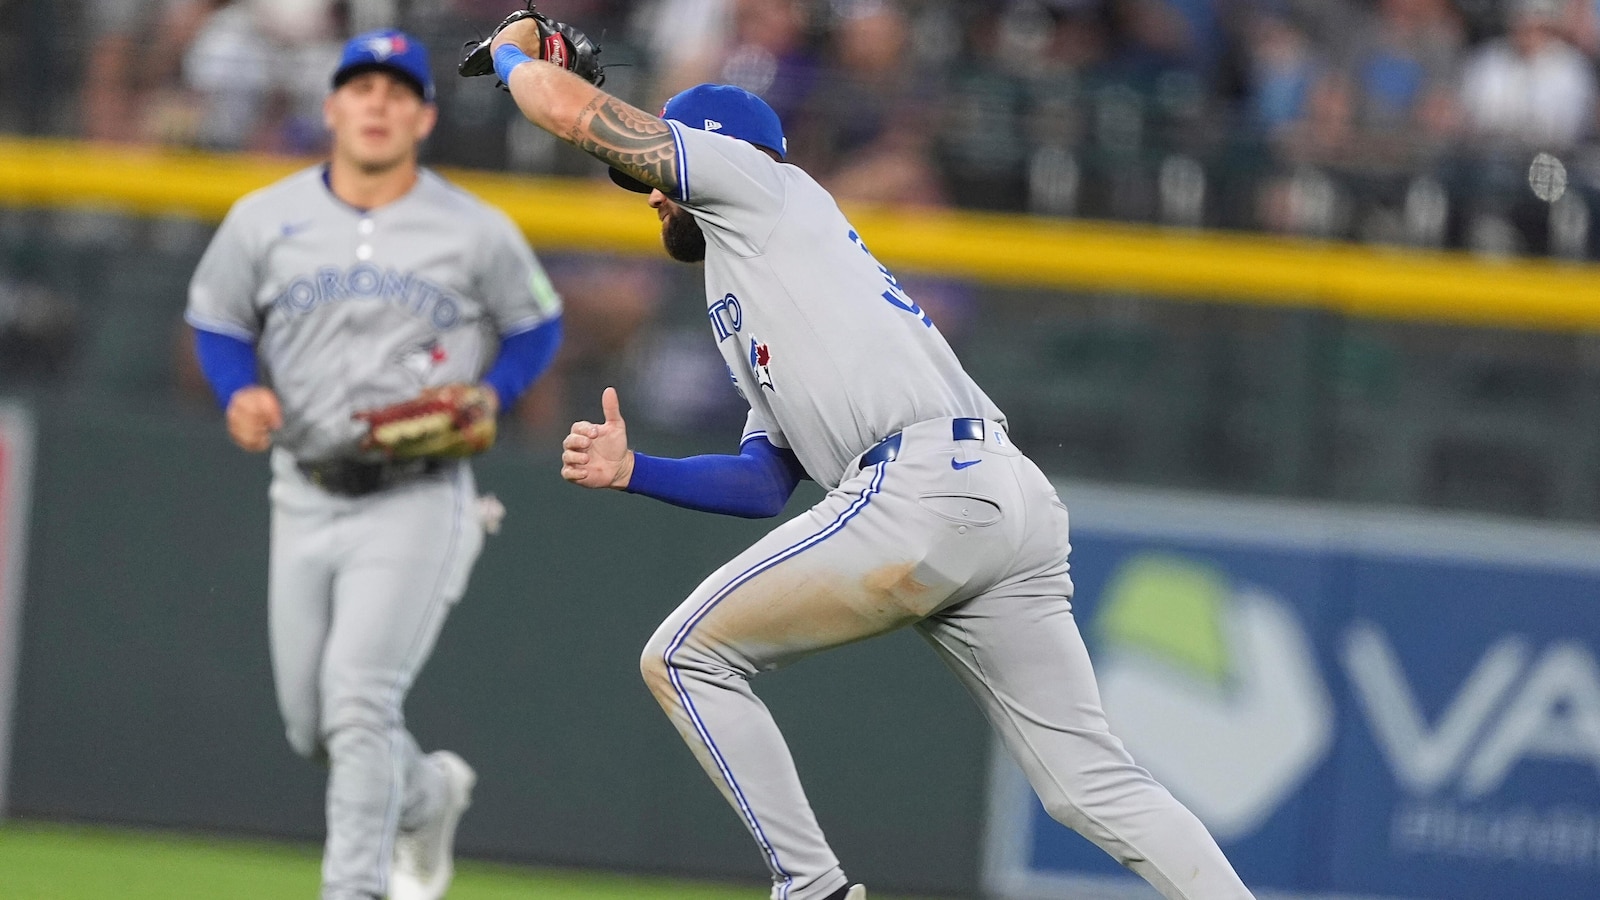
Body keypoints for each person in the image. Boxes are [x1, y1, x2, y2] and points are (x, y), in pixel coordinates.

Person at [474, 15, 1253, 900]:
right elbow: (765, 481)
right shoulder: (752, 274)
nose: (648, 194)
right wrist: (636, 469)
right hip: (1001, 498)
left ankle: (812, 889)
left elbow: (576, 116)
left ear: (715, 155)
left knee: (685, 658)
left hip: (923, 485)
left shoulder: (760, 187)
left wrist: (512, 53)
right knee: (1093, 786)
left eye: (658, 176)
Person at [185, 29, 563, 900]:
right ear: (331, 107)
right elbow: (216, 318)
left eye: (399, 92)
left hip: (417, 496)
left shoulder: (474, 228)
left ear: (425, 116)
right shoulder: (264, 217)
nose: (379, 105)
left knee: (357, 702)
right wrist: (237, 391)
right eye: (362, 89)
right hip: (305, 485)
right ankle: (428, 795)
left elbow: (537, 323)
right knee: (311, 724)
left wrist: (497, 394)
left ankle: (352, 888)